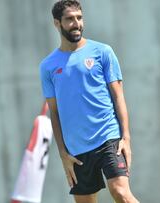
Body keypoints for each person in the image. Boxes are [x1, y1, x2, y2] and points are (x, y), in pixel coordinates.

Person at [40, 1, 139, 202]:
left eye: (79, 17)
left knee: (120, 191)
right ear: (57, 23)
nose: (76, 23)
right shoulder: (47, 66)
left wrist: (126, 138)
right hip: (76, 150)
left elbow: (119, 96)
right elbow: (54, 113)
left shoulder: (103, 52)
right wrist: (62, 153)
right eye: (69, 19)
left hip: (108, 138)